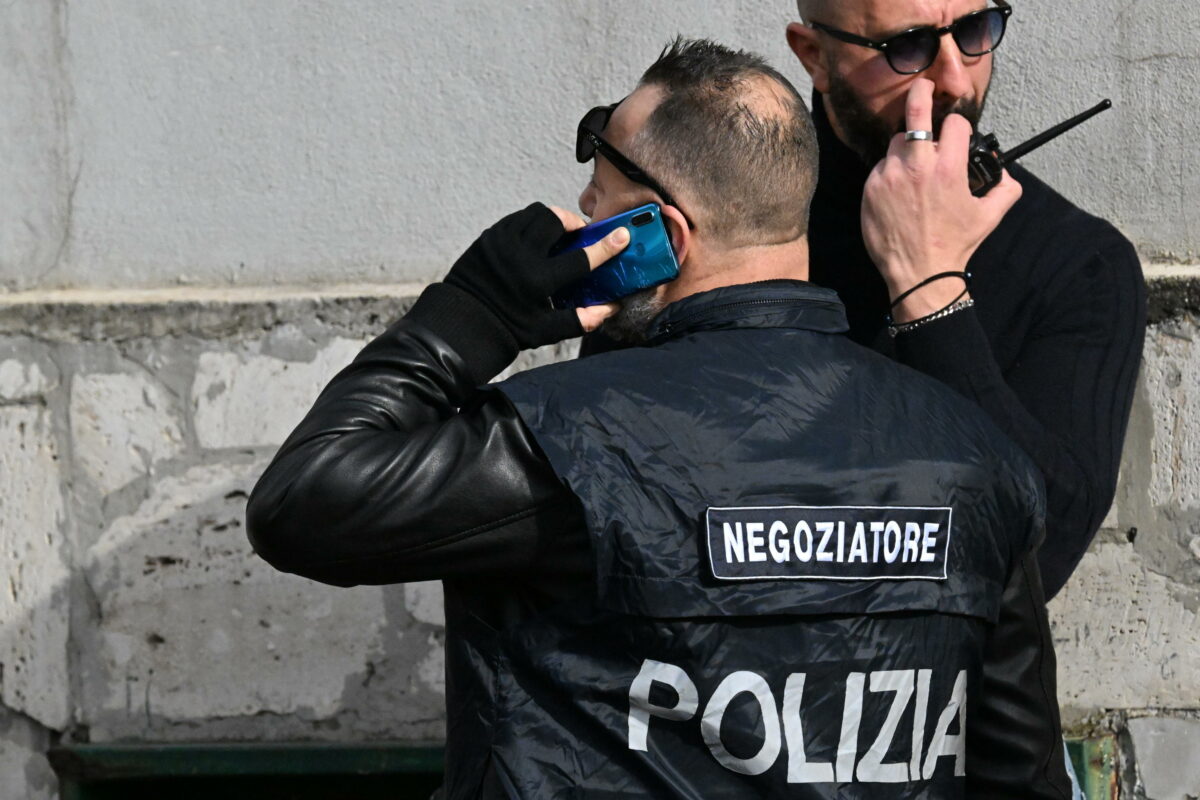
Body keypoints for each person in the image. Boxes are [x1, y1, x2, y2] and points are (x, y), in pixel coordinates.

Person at [247, 39, 1072, 798]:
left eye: (600, 199)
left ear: (663, 234)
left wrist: (471, 315)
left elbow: (302, 503)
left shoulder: (573, 443)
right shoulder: (978, 459)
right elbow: (1023, 780)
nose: (583, 211)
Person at [782, 0, 1147, 599]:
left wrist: (929, 290)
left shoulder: (1077, 262)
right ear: (815, 56)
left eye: (975, 29)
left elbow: (1043, 552)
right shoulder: (731, 223)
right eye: (908, 45)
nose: (955, 79)